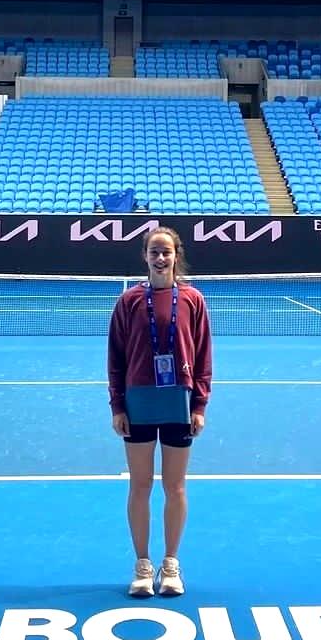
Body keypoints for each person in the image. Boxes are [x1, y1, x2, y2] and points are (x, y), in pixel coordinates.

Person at [107, 226, 213, 598]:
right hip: (138, 401)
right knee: (140, 485)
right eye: (154, 251)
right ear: (145, 256)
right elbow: (115, 359)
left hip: (178, 403)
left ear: (175, 254)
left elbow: (203, 356)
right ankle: (141, 565)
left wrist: (199, 404)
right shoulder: (129, 301)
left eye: (166, 251)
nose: (160, 257)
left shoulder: (194, 299)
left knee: (175, 486)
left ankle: (170, 564)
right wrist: (118, 404)